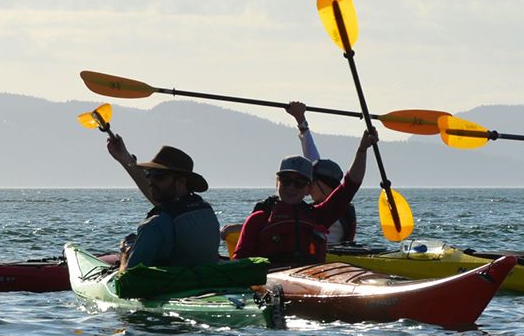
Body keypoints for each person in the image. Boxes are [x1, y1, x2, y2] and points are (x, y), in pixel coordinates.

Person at [232, 130, 375, 266]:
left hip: (311, 279)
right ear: (277, 183)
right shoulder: (258, 219)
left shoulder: (318, 216)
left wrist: (362, 150)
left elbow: (350, 186)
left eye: (299, 183)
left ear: (308, 189)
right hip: (271, 281)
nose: (291, 187)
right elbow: (239, 263)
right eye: (286, 180)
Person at [102, 134, 221, 269]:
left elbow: (129, 277)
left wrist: (125, 253)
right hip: (202, 279)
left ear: (181, 181)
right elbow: (172, 214)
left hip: (165, 282)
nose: (150, 181)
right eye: (148, 174)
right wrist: (124, 157)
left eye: (159, 176)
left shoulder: (154, 225)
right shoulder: (206, 212)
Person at [286, 102, 358, 246]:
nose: (306, 189)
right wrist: (301, 120)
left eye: (310, 183)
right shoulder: (336, 204)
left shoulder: (327, 213)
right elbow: (312, 158)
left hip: (325, 256)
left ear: (324, 184)